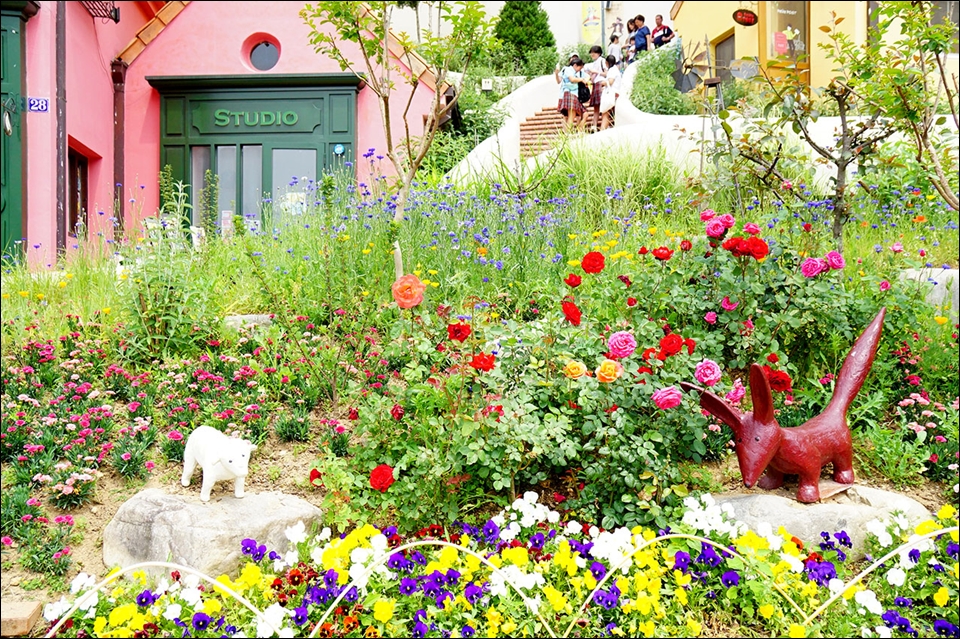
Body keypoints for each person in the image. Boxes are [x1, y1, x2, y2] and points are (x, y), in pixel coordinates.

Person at [555, 57, 586, 130]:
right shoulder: (569, 69)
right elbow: (572, 79)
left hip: (572, 94)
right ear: (575, 65)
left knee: (572, 114)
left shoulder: (572, 71)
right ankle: (568, 133)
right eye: (579, 68)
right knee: (571, 115)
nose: (579, 70)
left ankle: (568, 132)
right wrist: (582, 79)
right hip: (570, 93)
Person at [584, 45, 606, 131]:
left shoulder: (602, 61)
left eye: (594, 52)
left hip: (601, 83)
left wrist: (595, 72)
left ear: (599, 53)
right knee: (596, 106)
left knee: (603, 105)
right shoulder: (595, 63)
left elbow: (606, 73)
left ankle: (602, 126)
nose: (592, 54)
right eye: (591, 52)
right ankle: (594, 125)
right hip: (595, 84)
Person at [599, 54, 621, 131]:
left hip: (611, 94)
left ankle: (602, 130)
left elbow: (610, 82)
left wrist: (602, 82)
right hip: (615, 93)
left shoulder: (612, 70)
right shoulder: (615, 69)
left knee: (605, 112)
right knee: (609, 113)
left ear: (607, 62)